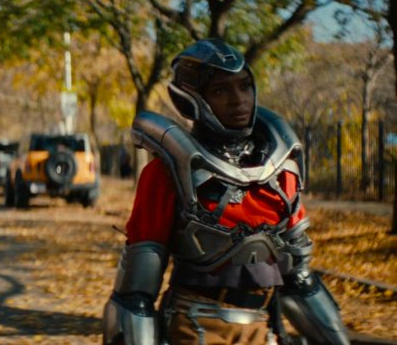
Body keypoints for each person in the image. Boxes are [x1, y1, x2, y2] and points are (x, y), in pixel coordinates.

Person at [102, 39, 350, 345]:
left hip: (262, 327)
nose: (239, 100)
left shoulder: (281, 172)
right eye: (220, 90)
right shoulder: (168, 172)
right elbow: (135, 295)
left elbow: (298, 278)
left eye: (244, 86)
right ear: (193, 100)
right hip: (196, 325)